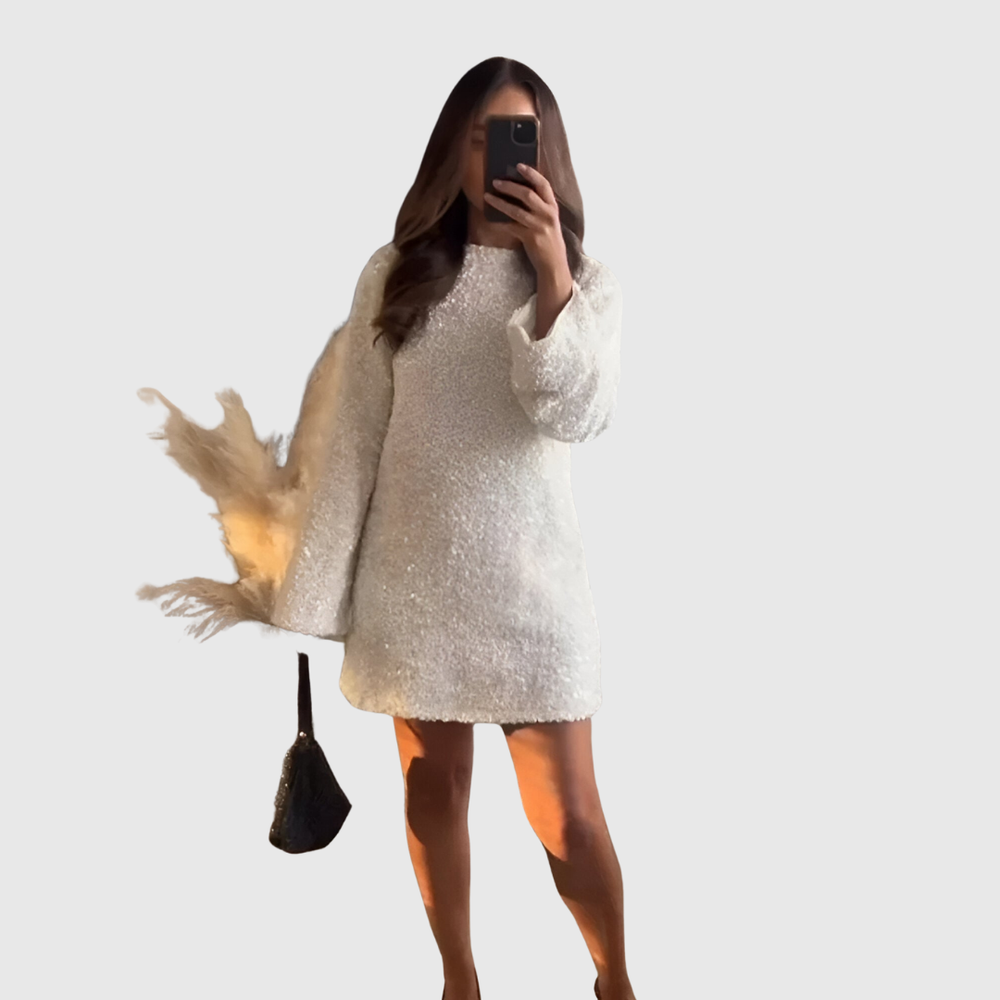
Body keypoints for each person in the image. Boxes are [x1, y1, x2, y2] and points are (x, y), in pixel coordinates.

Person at [138, 55, 634, 1000]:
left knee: (569, 817)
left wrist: (550, 274)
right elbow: (354, 440)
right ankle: (459, 982)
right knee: (430, 796)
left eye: (518, 137)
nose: (497, 157)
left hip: (535, 597)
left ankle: (615, 980)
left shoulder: (585, 283)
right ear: (453, 149)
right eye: (481, 137)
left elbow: (577, 413)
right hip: (415, 588)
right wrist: (310, 596)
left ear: (550, 152)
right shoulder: (396, 273)